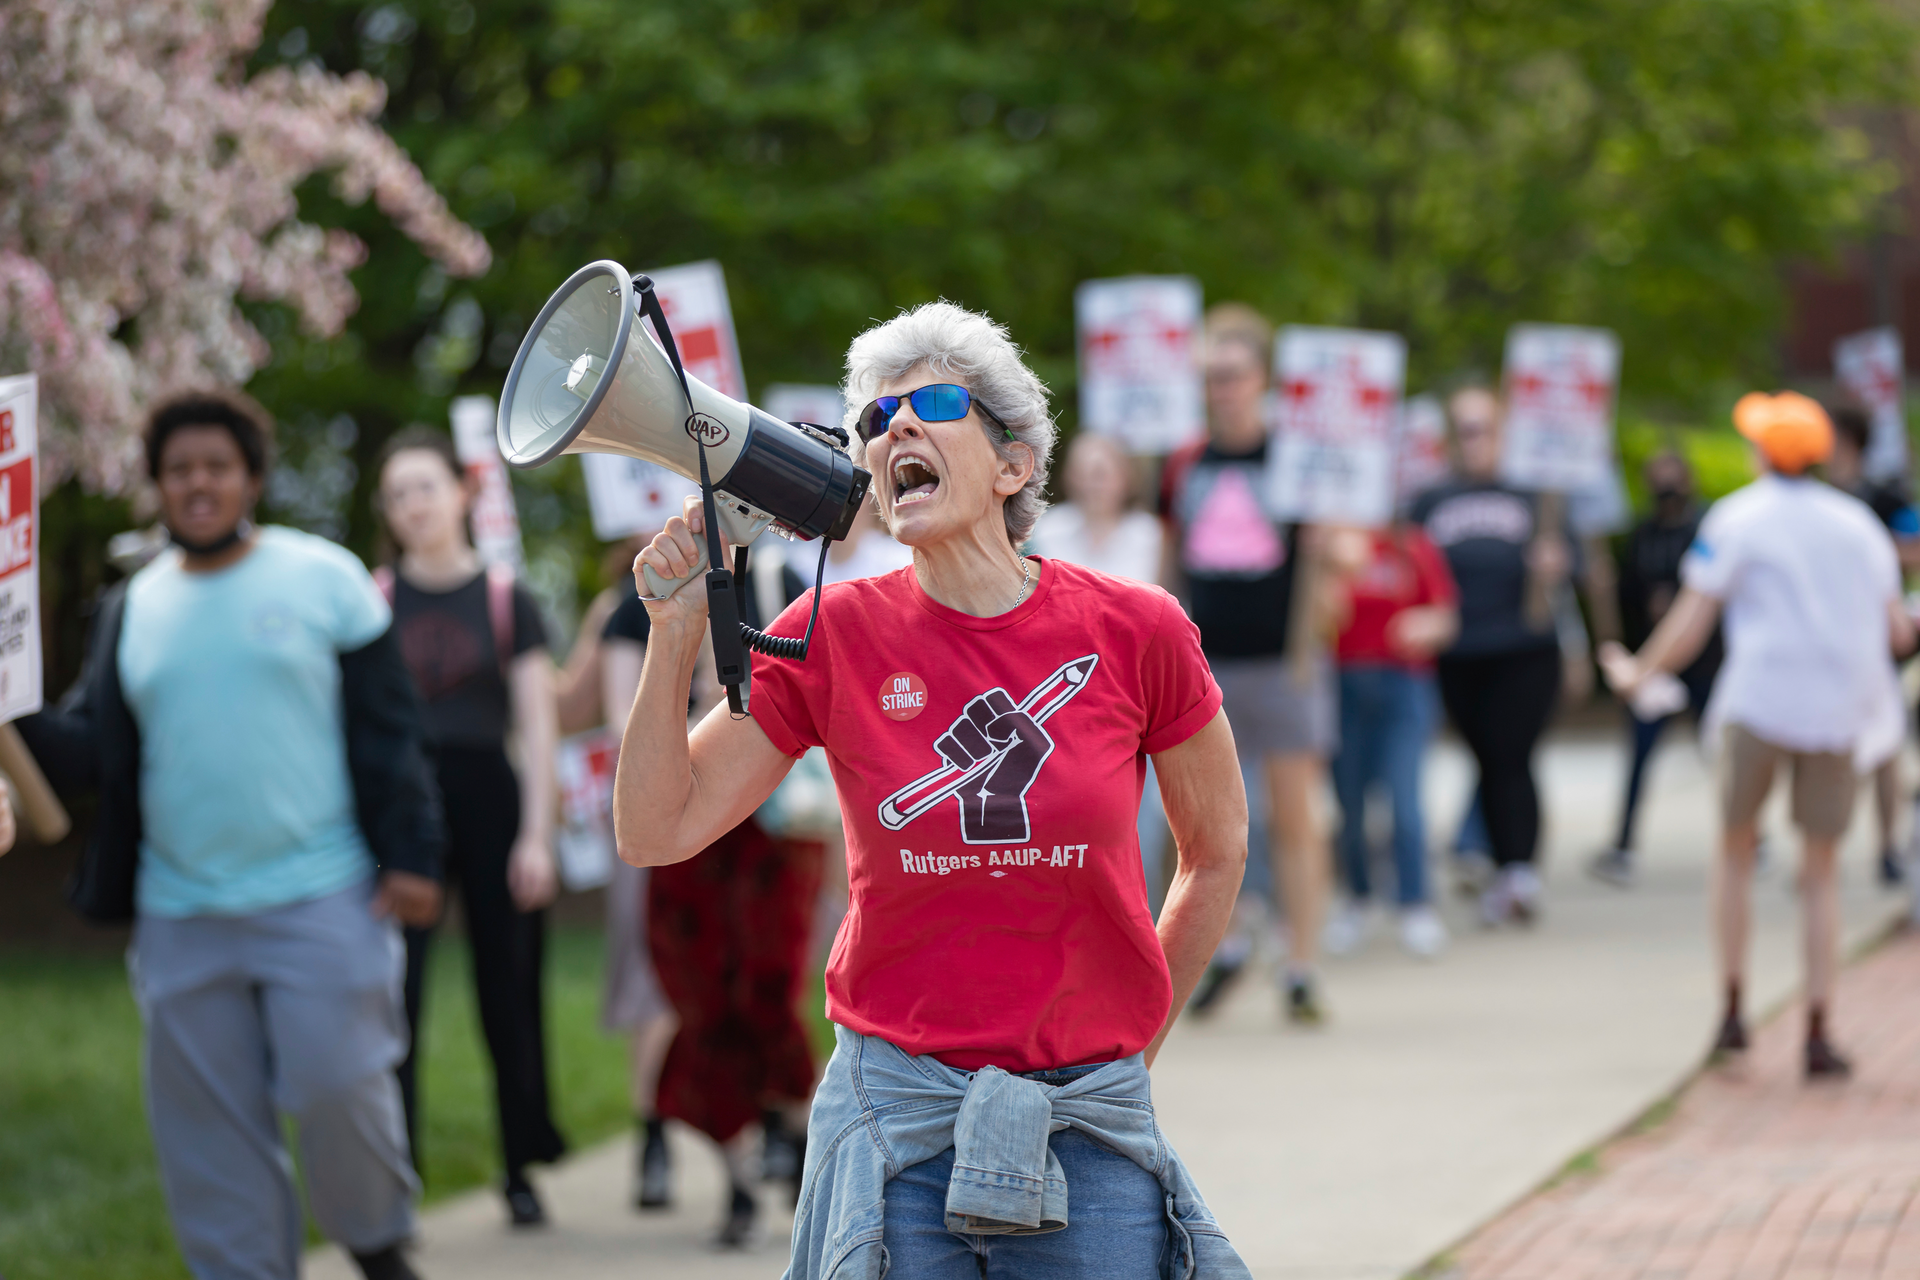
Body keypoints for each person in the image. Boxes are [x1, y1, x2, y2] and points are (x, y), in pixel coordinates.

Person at [614, 301, 1250, 1277]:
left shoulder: (1139, 629)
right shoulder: (829, 629)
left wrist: (1132, 1040)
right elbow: (657, 828)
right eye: (876, 418)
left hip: (1086, 1119)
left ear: (1014, 465)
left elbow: (1214, 853)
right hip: (896, 1117)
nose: (895, 425)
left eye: (934, 400)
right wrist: (675, 634)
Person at [20, 391, 443, 1280]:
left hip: (324, 895)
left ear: (252, 476)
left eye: (216, 466)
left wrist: (411, 856)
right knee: (207, 1138)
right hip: (181, 912)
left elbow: (390, 728)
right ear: (158, 488)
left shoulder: (322, 576)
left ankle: (376, 1245)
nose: (197, 484)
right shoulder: (131, 610)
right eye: (179, 471)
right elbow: (85, 752)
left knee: (342, 1093)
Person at [1602, 392, 1913, 1079]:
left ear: (1763, 452)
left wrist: (1636, 673)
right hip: (1838, 710)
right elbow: (1897, 630)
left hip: (1759, 705)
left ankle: (1734, 1009)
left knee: (1736, 852)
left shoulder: (1737, 518)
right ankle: (1819, 1025)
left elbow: (1691, 621)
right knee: (1821, 870)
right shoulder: (1857, 524)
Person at [604, 535, 827, 1246]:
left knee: (766, 992)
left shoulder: (777, 577)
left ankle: (795, 1134)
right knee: (702, 1001)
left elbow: (816, 693)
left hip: (769, 818)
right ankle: (737, 1180)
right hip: (683, 829)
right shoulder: (635, 600)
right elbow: (621, 731)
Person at [373, 428, 566, 1226]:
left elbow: (540, 726)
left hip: (492, 797)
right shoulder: (370, 598)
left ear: (461, 492)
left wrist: (537, 837)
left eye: (424, 486)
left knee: (508, 992)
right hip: (402, 807)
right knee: (394, 997)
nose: (412, 504)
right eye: (396, 494)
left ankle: (521, 1165)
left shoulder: (505, 597)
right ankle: (395, 1175)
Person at [1161, 303, 1343, 1024]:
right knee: (1206, 825)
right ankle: (1225, 946)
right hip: (1207, 665)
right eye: (1210, 375)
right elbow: (1172, 552)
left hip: (1281, 662)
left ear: (1260, 377)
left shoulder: (1297, 461)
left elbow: (1338, 568)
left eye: (1232, 374)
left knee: (1295, 817)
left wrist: (1334, 556)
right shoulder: (1185, 461)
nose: (1221, 388)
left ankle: (1301, 963)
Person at [1411, 386, 1577, 927]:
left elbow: (1577, 566)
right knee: (1485, 758)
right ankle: (1500, 863)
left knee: (1512, 756)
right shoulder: (1430, 499)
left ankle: (1518, 872)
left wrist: (1559, 563)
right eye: (1463, 428)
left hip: (1524, 647)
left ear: (1503, 432)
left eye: (1483, 426)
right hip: (1458, 653)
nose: (1473, 438)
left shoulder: (1535, 495)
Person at [1032, 431, 1173, 909]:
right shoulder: (1049, 530)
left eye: (1104, 469)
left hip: (1130, 695)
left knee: (1143, 822)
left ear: (1124, 478)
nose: (1095, 480)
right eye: (1086, 469)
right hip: (1063, 698)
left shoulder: (1148, 534)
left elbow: (1154, 618)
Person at [1588, 451, 1723, 887]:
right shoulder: (1642, 535)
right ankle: (1623, 844)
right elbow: (1627, 591)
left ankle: (1750, 839)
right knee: (1640, 755)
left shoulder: (1706, 528)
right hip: (1655, 664)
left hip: (1704, 663)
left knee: (1722, 753)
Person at [1325, 522, 1459, 958]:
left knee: (1405, 803)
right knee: (1349, 805)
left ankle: (1415, 902)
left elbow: (1446, 616)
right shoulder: (1329, 545)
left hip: (1403, 684)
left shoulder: (1413, 545)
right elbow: (1319, 620)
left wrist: (1427, 624)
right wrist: (1336, 568)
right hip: (1342, 684)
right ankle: (1358, 898)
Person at [1824, 404, 1920, 887]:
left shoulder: (1884, 496)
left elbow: (1914, 546)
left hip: (1874, 636)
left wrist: (1872, 547)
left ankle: (1888, 847)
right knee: (1827, 748)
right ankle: (1823, 850)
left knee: (1883, 748)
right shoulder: (1816, 497)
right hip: (1825, 637)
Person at [1031, 431, 1164, 582]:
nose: (1090, 485)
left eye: (1099, 475)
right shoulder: (1046, 529)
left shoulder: (1147, 533)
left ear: (1125, 477)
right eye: (1081, 474)